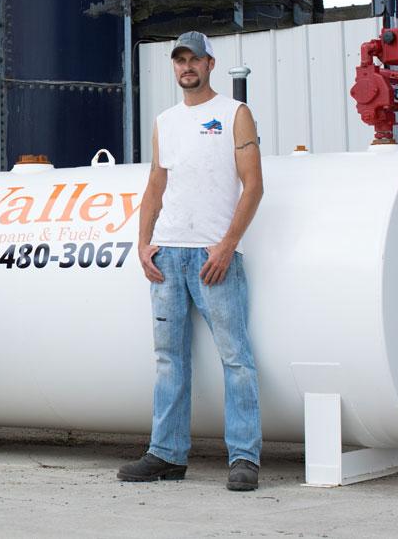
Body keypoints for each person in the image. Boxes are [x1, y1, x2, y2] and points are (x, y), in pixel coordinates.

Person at [117, 31, 264, 491]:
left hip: (211, 255)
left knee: (235, 357)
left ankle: (244, 458)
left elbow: (253, 185)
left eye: (194, 59)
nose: (186, 67)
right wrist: (143, 244)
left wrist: (226, 246)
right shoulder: (165, 121)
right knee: (168, 359)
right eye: (179, 60)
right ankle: (166, 453)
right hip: (167, 255)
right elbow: (155, 187)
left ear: (210, 64)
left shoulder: (234, 115)